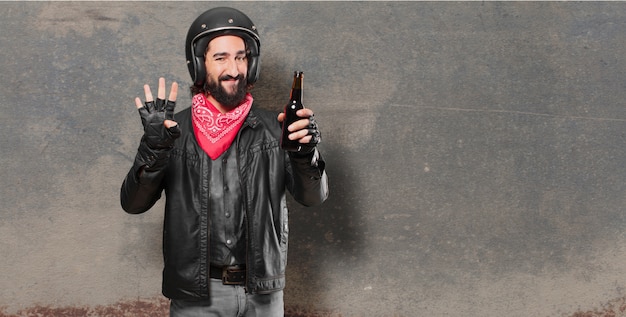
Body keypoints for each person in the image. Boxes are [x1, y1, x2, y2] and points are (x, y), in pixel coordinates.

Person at [120, 7, 329, 317]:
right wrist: (152, 151)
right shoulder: (171, 134)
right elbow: (133, 204)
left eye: (241, 57)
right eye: (221, 58)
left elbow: (314, 197)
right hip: (197, 296)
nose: (234, 69)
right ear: (200, 65)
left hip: (263, 295)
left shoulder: (278, 129)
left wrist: (305, 155)